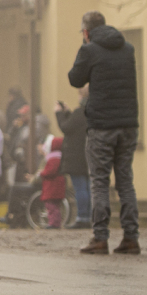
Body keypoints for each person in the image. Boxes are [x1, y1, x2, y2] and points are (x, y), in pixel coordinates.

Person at [68, 10, 140, 255]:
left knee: (99, 182)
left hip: (102, 126)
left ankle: (100, 238)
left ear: (86, 31)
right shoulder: (127, 49)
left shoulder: (89, 50)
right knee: (125, 181)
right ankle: (131, 237)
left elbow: (75, 79)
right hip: (128, 125)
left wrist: (84, 48)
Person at [55, 86, 91, 229]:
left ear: (83, 96)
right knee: (87, 187)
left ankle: (82, 217)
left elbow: (66, 127)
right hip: (87, 156)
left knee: (80, 188)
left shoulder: (80, 112)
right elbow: (75, 125)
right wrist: (68, 113)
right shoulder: (90, 112)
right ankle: (89, 216)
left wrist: (59, 113)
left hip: (76, 157)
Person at [32, 136, 67, 228]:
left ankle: (53, 223)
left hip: (52, 188)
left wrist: (42, 173)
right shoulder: (58, 158)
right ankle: (55, 222)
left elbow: (50, 171)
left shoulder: (53, 159)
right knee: (55, 207)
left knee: (51, 206)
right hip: (56, 186)